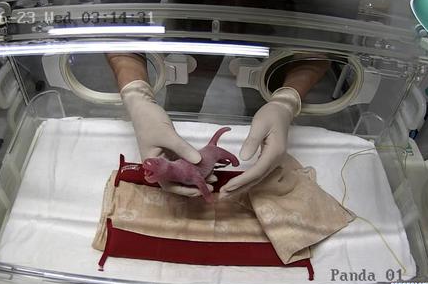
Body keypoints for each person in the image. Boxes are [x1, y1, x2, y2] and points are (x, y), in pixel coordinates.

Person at [107, 52, 329, 199]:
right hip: (190, 23)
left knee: (258, 94)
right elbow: (119, 16)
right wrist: (136, 94)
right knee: (184, 90)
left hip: (274, 36)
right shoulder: (174, 169)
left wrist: (286, 100)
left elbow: (324, 41)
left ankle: (262, 115)